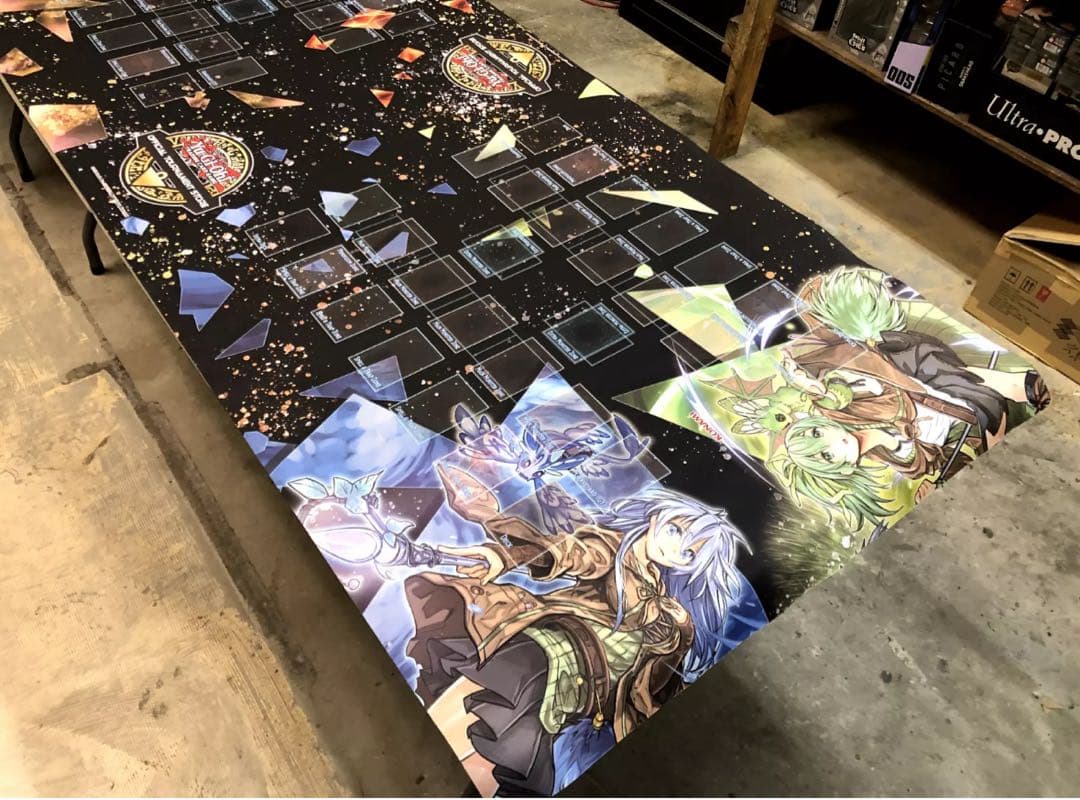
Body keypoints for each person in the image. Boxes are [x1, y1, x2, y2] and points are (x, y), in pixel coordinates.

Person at [405, 466, 765, 796]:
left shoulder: (666, 599)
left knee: (510, 753)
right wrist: (505, 556)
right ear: (657, 516)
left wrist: (678, 633)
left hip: (583, 693)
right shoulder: (613, 550)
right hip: (551, 650)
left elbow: (655, 676)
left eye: (688, 554)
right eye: (676, 530)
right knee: (487, 700)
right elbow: (570, 553)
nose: (676, 547)